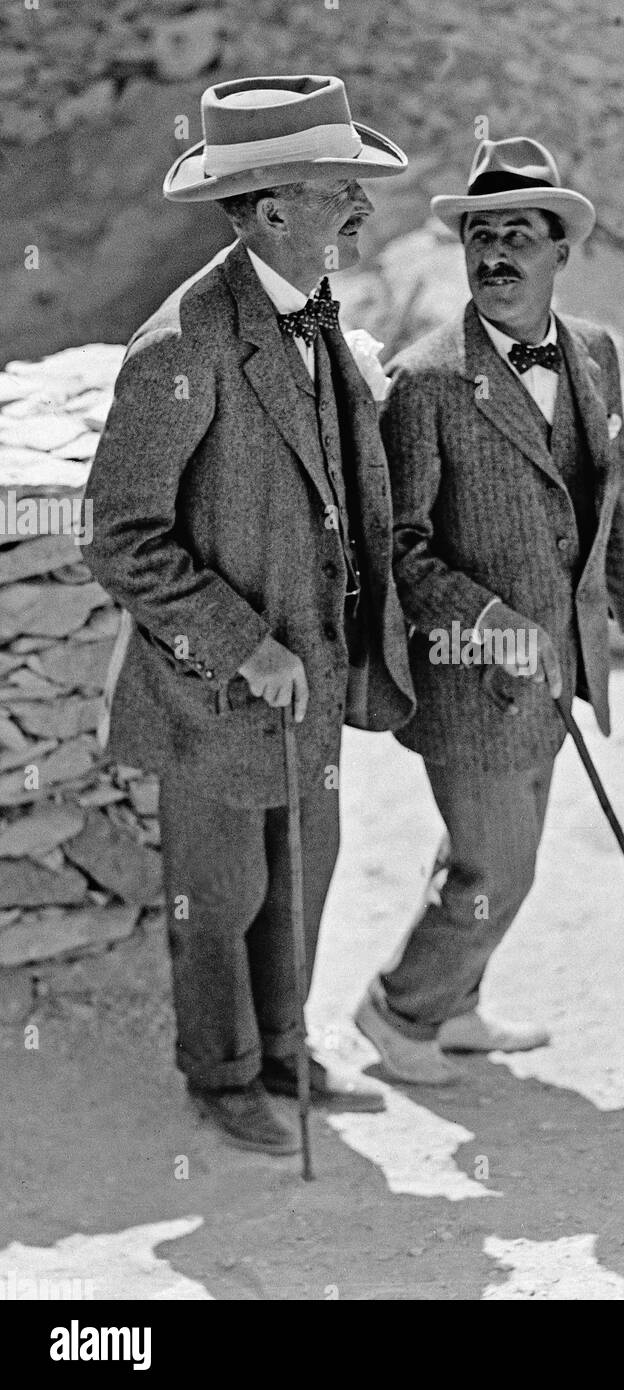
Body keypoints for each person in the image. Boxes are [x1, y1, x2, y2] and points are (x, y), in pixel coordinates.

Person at [85, 74, 415, 1153]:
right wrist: (244, 642)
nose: (362, 210)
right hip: (217, 691)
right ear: (273, 207)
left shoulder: (315, 318)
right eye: (341, 191)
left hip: (309, 686)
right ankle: (222, 1077)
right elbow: (123, 535)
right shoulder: (183, 343)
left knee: (301, 881)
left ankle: (284, 1048)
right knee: (219, 899)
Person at [355, 137, 624, 1085]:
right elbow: (399, 549)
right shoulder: (423, 382)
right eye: (481, 236)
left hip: (560, 668)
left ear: (559, 252)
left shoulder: (594, 355)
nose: (496, 254)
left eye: (518, 237)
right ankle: (396, 1010)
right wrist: (492, 621)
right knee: (500, 872)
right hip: (471, 678)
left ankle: (454, 1011)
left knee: (482, 851)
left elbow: (614, 503)